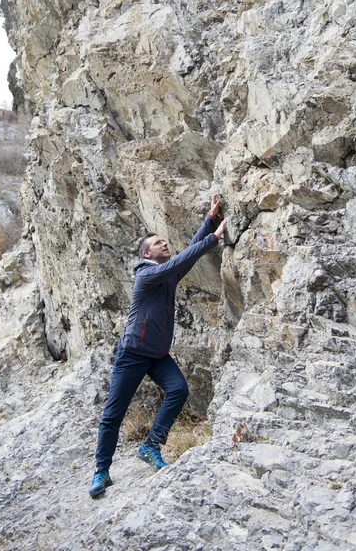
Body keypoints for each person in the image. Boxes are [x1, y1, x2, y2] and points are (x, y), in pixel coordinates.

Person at [89, 194, 227, 497]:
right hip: (133, 355)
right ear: (147, 253)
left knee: (179, 390)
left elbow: (187, 254)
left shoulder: (166, 274)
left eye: (165, 242)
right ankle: (101, 471)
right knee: (114, 413)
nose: (165, 244)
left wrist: (211, 220)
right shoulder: (146, 274)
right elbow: (180, 260)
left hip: (159, 356)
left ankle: (151, 445)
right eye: (159, 243)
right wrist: (214, 239)